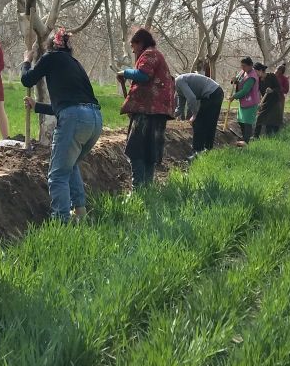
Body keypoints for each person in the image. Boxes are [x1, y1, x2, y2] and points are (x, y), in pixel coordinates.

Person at [20, 28, 103, 222]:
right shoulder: (75, 64)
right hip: (94, 119)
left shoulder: (50, 57)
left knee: (58, 174)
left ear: (50, 46)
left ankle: (61, 221)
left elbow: (27, 79)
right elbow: (69, 105)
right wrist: (37, 106)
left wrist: (26, 61)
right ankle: (80, 215)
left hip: (75, 119)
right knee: (70, 164)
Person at [117, 28, 175, 188]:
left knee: (136, 149)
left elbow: (143, 75)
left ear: (140, 43)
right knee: (150, 151)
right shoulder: (156, 54)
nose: (133, 49)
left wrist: (125, 72)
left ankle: (138, 189)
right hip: (158, 111)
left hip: (148, 111)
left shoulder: (149, 54)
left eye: (133, 45)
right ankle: (147, 188)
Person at [175, 72, 224, 158]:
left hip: (212, 93)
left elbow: (192, 98)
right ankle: (207, 150)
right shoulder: (179, 89)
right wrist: (170, 115)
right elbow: (180, 108)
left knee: (198, 122)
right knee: (209, 123)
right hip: (216, 92)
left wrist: (194, 114)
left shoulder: (179, 81)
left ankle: (197, 152)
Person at [229, 56, 260, 144]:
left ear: (250, 66)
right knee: (241, 120)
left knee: (247, 122)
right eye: (241, 66)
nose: (242, 68)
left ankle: (246, 141)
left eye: (244, 66)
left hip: (251, 102)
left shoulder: (252, 77)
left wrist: (234, 96)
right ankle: (244, 137)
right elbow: (238, 79)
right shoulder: (243, 71)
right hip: (244, 102)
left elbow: (245, 90)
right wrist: (234, 80)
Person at [254, 63, 284, 137]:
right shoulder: (258, 80)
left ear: (261, 70)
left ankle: (272, 138)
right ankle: (255, 137)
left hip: (275, 102)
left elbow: (279, 88)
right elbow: (257, 92)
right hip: (265, 102)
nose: (255, 73)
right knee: (259, 119)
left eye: (256, 71)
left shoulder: (271, 76)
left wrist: (272, 90)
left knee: (272, 123)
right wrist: (258, 102)